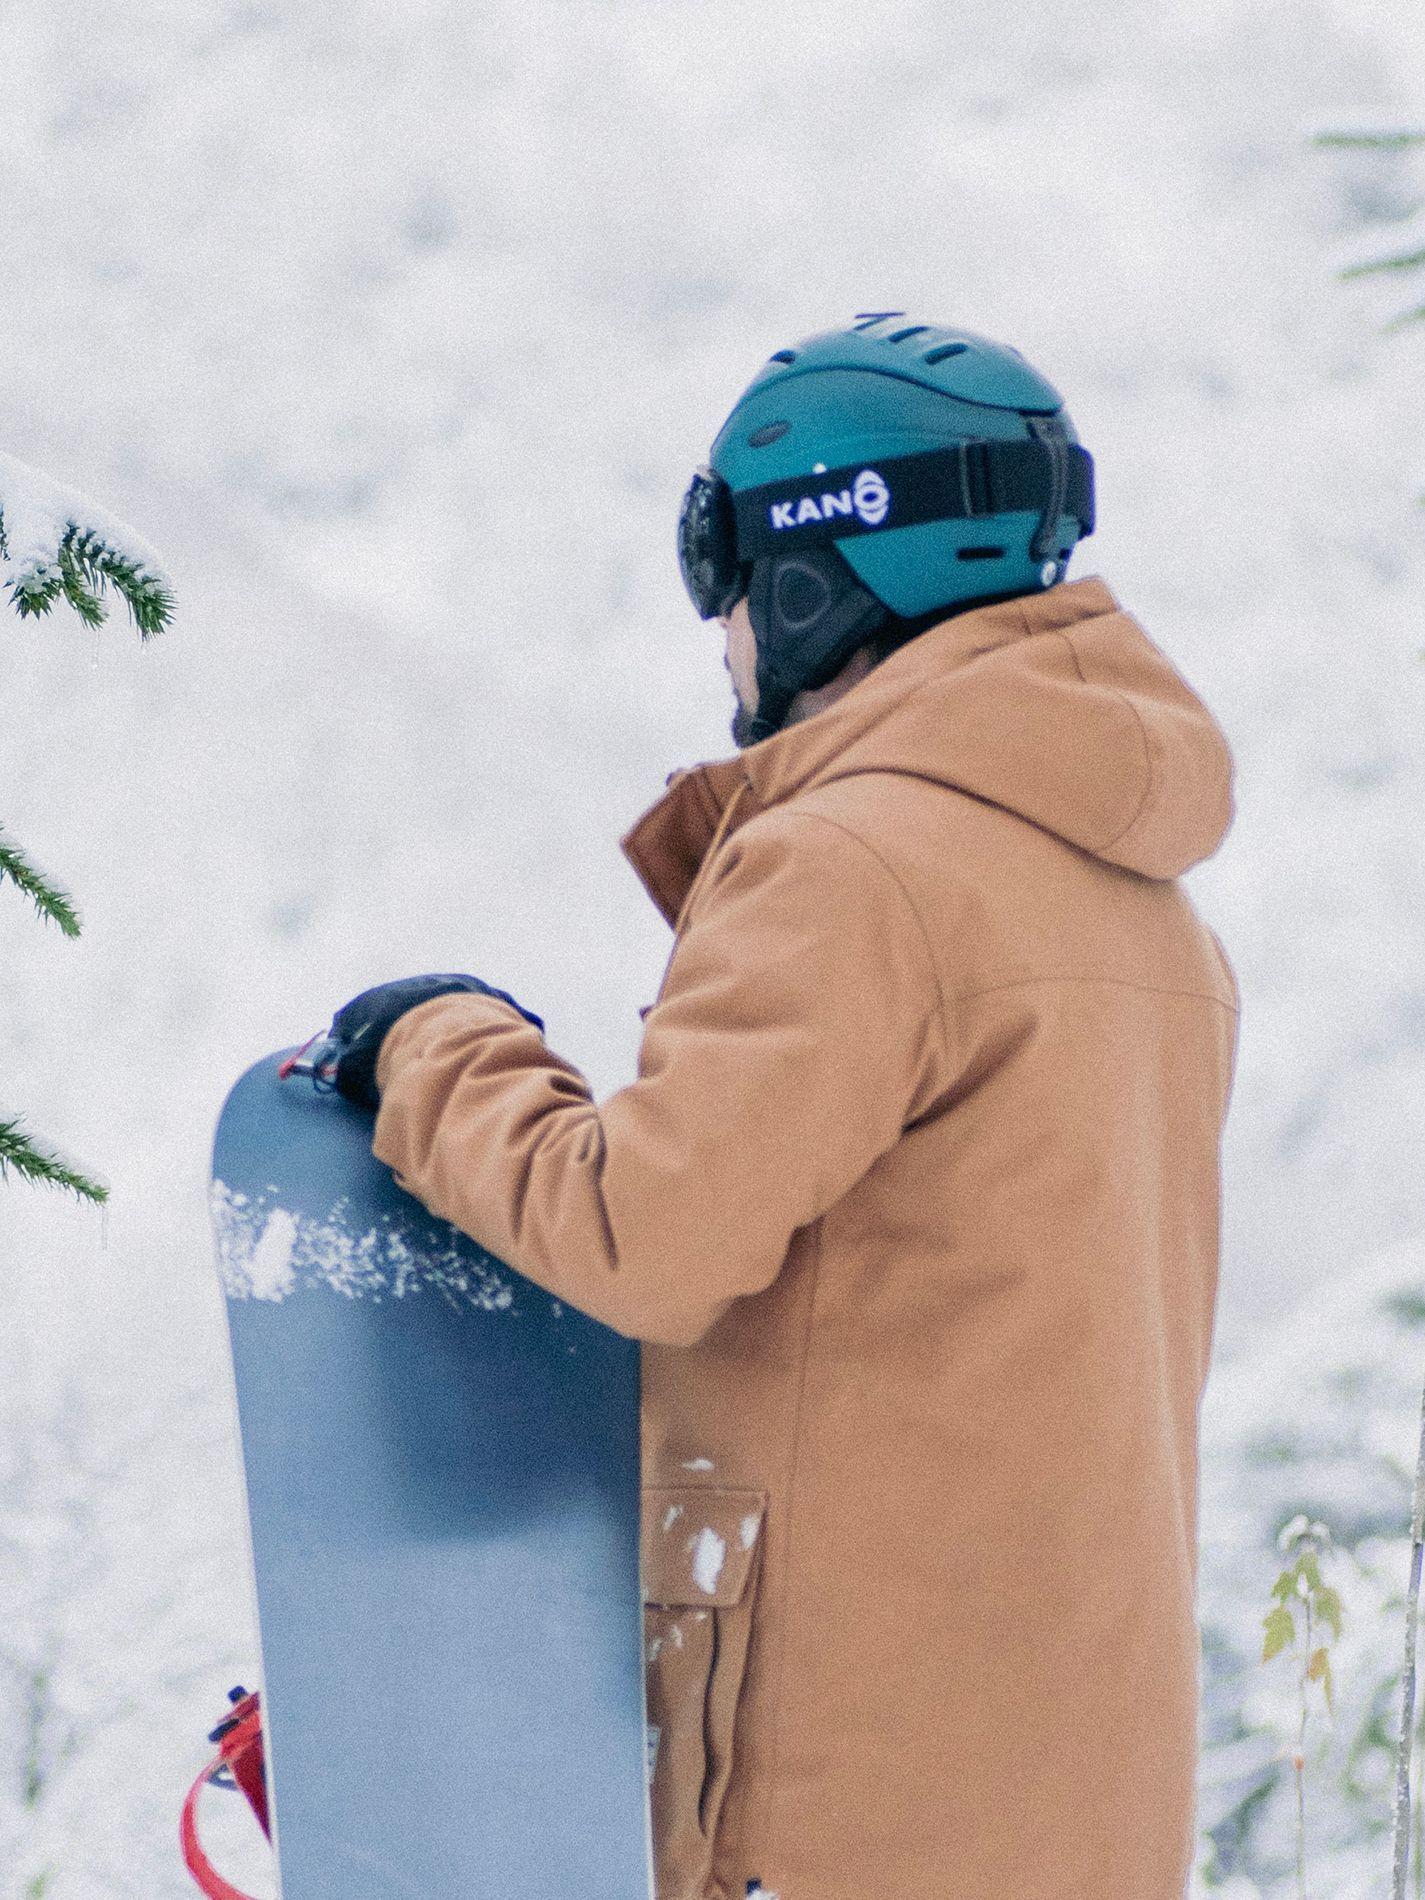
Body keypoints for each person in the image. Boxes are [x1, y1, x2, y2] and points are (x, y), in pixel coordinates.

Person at [327, 315, 1240, 1900]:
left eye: (723, 564)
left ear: (820, 564)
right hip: (1073, 1782)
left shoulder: (849, 866)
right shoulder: (1145, 912)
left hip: (844, 1793)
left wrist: (437, 1049)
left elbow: (644, 1235)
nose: (722, 626)